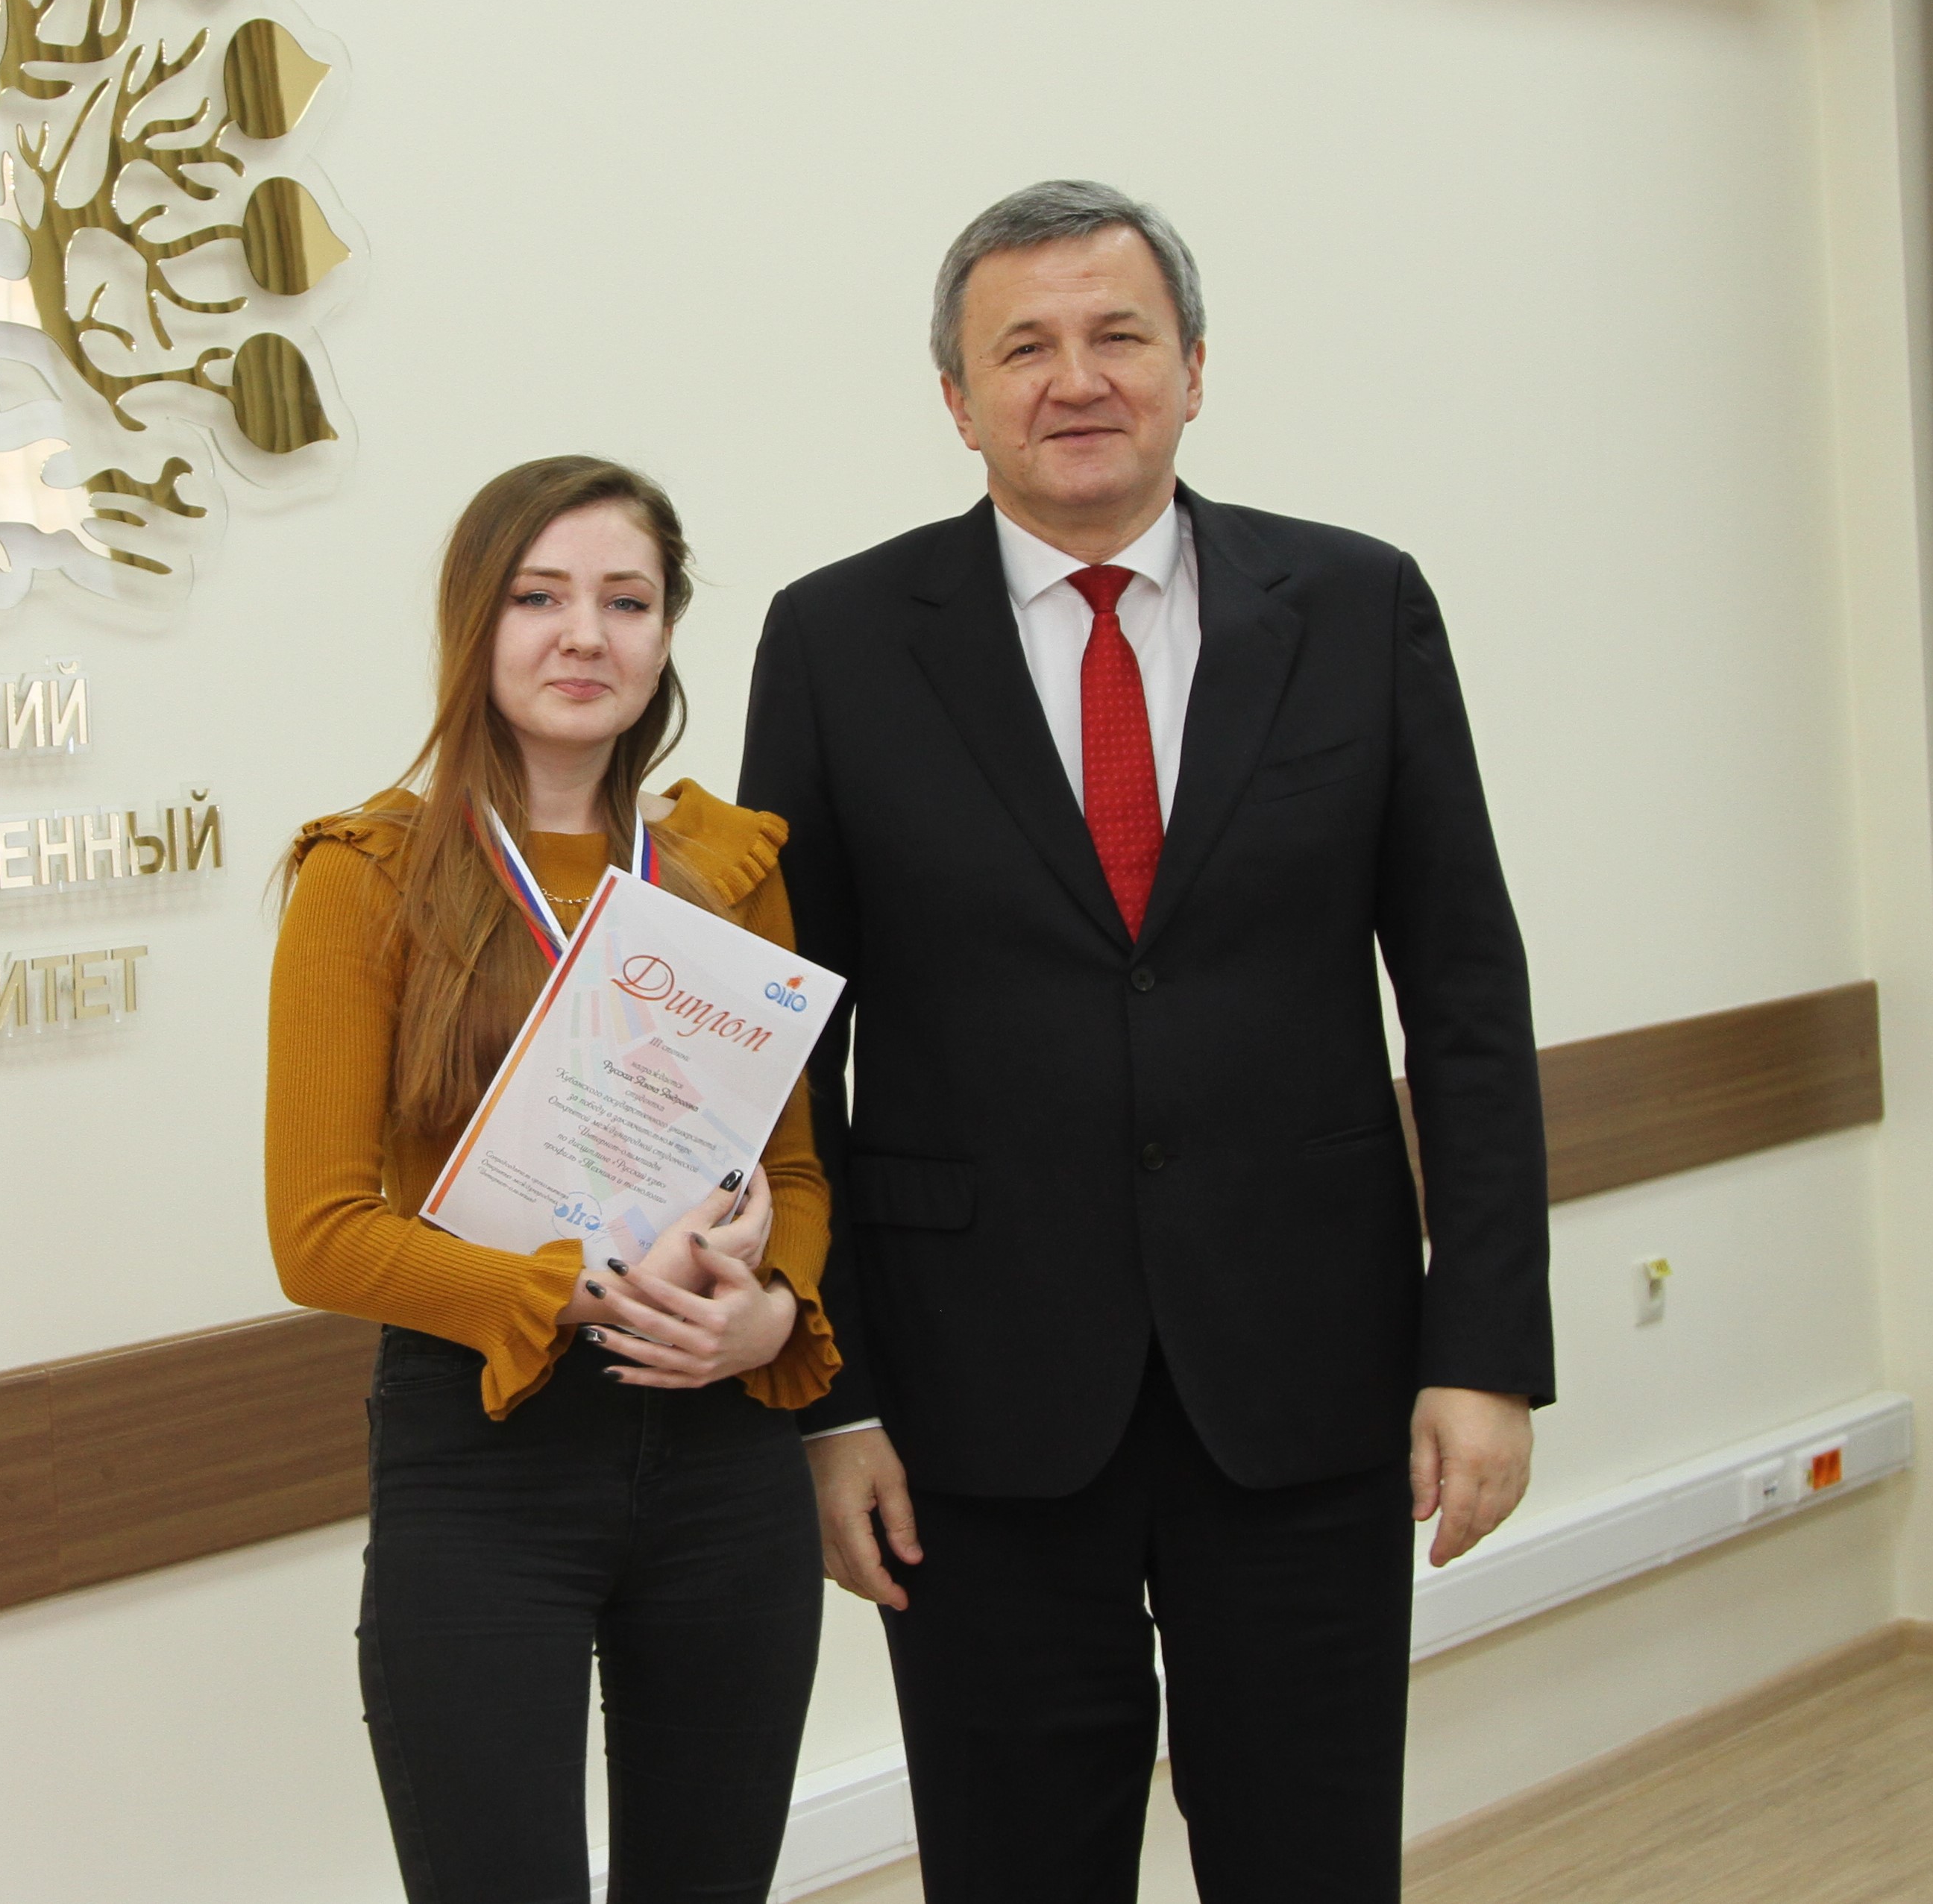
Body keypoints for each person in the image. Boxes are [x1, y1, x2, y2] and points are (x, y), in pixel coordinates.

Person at [740, 183, 1551, 1901]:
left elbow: (1468, 1002)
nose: (1077, 378)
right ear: (956, 400)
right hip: (970, 1404)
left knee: (1313, 1860)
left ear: (1193, 367)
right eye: (1022, 347)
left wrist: (1484, 1349)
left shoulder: (1358, 606)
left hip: (1310, 1373)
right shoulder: (836, 640)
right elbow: (786, 1052)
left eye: (1119, 334)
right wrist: (830, 1398)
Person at [268, 456, 841, 1904]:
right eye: (540, 597)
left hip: (723, 1458)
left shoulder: (728, 866)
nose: (585, 635)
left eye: (626, 602)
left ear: (666, 635)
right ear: (475, 624)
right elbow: (319, 1236)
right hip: (487, 1460)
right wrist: (578, 1291)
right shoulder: (368, 873)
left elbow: (791, 1167)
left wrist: (770, 1313)